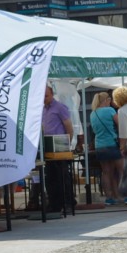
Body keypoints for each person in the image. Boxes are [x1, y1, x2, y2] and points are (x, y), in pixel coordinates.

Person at [40, 85, 74, 213]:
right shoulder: (43, 109)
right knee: (51, 177)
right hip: (48, 146)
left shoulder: (59, 107)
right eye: (42, 96)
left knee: (63, 176)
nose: (44, 99)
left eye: (46, 96)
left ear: (52, 94)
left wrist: (67, 144)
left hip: (60, 146)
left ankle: (68, 202)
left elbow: (69, 126)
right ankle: (54, 203)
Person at [89, 92, 122, 206]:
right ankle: (124, 195)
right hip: (112, 143)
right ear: (106, 100)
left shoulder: (93, 113)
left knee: (106, 172)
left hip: (100, 145)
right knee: (122, 170)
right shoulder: (110, 110)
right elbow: (120, 123)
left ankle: (109, 197)